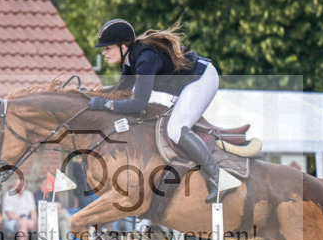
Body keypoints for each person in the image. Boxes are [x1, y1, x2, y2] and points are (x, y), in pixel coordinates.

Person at [88, 18, 225, 202]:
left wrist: (104, 104)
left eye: (107, 48)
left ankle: (219, 178)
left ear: (122, 46)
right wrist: (87, 96)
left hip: (202, 80)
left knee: (176, 130)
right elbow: (120, 92)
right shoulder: (131, 60)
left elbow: (138, 104)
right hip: (188, 85)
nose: (103, 52)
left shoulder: (145, 58)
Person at [1, 176, 37, 240]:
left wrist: (34, 221)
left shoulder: (28, 194)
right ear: (14, 185)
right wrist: (22, 219)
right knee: (23, 223)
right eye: (18, 184)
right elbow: (10, 215)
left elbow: (33, 211)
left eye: (22, 184)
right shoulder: (8, 195)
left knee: (41, 222)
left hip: (26, 220)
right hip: (11, 222)